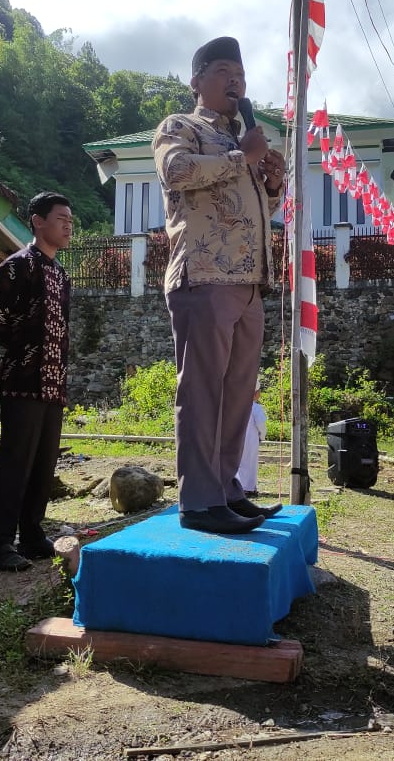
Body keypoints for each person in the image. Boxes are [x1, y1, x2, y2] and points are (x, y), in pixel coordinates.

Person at [152, 36, 286, 535]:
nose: (236, 81)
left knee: (238, 393)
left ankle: (227, 488)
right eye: (225, 71)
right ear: (198, 82)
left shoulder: (244, 139)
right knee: (203, 391)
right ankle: (200, 501)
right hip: (203, 276)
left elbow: (256, 213)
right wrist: (242, 161)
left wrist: (272, 186)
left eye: (242, 75)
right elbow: (176, 172)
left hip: (250, 282)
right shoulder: (180, 127)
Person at [0, 192, 74, 571]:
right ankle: (0, 546)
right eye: (61, 218)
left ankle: (32, 536)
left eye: (70, 220)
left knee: (42, 464)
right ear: (37, 221)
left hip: (54, 384)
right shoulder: (18, 266)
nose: (68, 225)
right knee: (13, 463)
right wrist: (22, 346)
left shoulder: (61, 274)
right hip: (23, 380)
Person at [235, 386, 268, 496]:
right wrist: (262, 436)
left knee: (238, 463)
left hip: (236, 439)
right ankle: (248, 488)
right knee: (250, 463)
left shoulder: (237, 406)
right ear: (254, 393)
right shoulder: (256, 408)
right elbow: (261, 425)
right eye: (259, 392)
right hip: (250, 440)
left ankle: (238, 487)